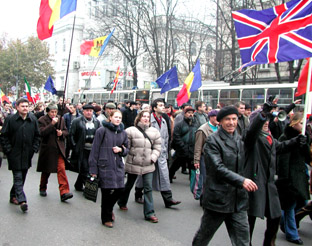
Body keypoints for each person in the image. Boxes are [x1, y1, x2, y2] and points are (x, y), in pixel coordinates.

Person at [192, 106, 258, 246]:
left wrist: (263, 116)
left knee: (243, 241)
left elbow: (253, 134)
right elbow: (217, 168)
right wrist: (241, 181)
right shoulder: (212, 141)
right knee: (203, 237)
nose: (231, 122)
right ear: (220, 121)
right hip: (218, 200)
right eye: (227, 119)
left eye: (234, 119)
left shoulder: (239, 139)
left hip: (238, 201)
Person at [244, 105, 304, 246]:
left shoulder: (269, 136)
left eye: (268, 120)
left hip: (269, 184)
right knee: (250, 219)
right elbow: (252, 130)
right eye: (263, 120)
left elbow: (279, 147)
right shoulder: (251, 137)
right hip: (254, 183)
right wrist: (263, 114)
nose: (266, 122)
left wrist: (295, 141)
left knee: (275, 216)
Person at [135, 99, 181, 208]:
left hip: (161, 153)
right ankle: (138, 193)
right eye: (160, 105)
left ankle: (168, 199)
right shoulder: (147, 120)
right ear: (154, 108)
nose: (163, 107)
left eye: (163, 105)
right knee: (143, 176)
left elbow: (165, 138)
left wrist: (165, 153)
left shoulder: (164, 120)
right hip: (148, 153)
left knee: (164, 175)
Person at [118, 110, 162, 222]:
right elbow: (125, 146)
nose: (146, 118)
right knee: (129, 185)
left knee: (148, 188)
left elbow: (158, 147)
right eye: (144, 116)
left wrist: (153, 157)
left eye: (148, 117)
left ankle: (149, 213)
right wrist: (128, 155)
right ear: (139, 118)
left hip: (148, 164)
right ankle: (122, 201)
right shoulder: (130, 131)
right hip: (134, 163)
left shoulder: (155, 132)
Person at [89, 110, 129, 228]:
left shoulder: (123, 132)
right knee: (106, 193)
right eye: (116, 117)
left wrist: (121, 150)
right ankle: (105, 218)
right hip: (104, 165)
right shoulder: (102, 131)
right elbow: (95, 150)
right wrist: (93, 170)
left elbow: (127, 148)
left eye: (120, 117)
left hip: (118, 166)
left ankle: (109, 208)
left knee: (120, 189)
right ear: (110, 117)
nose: (118, 119)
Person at [0, 98, 40, 212]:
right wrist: (8, 150)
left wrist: (34, 149)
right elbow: (4, 136)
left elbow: (37, 135)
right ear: (17, 107)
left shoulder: (32, 119)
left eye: (27, 106)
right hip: (14, 153)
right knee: (17, 176)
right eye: (22, 106)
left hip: (27, 153)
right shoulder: (10, 119)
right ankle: (22, 200)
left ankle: (13, 195)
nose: (25, 108)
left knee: (22, 177)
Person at [277, 112, 310, 245]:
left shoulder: (303, 136)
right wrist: (284, 179)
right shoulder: (285, 137)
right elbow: (283, 160)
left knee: (303, 202)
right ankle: (292, 233)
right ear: (294, 123)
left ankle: (283, 220)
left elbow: (307, 157)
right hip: (290, 176)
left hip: (301, 174)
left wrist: (304, 144)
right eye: (302, 123)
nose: (304, 125)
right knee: (290, 205)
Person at [36, 103, 73, 202]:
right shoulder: (42, 120)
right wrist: (51, 124)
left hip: (59, 149)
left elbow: (66, 131)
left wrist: (62, 133)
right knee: (46, 170)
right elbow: (42, 133)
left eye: (55, 112)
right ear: (48, 111)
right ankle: (43, 187)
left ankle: (64, 191)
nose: (54, 114)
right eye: (52, 112)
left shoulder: (61, 119)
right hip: (48, 149)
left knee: (61, 169)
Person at [70, 104, 101, 191]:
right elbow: (71, 135)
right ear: (83, 112)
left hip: (92, 150)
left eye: (90, 111)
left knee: (88, 168)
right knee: (85, 168)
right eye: (87, 111)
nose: (89, 113)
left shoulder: (96, 122)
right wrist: (75, 146)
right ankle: (88, 187)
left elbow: (99, 135)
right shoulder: (77, 121)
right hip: (82, 149)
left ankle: (78, 185)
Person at [193, 109, 218, 201]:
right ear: (210, 117)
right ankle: (203, 198)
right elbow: (198, 147)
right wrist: (196, 161)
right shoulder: (202, 130)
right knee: (205, 179)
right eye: (215, 116)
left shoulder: (220, 128)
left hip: (217, 157)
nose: (217, 118)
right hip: (205, 157)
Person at [170, 107, 197, 181]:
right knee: (175, 165)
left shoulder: (196, 124)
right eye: (189, 113)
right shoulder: (180, 124)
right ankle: (169, 177)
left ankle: (193, 181)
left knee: (192, 167)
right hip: (182, 149)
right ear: (185, 114)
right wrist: (182, 146)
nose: (190, 115)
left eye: (192, 113)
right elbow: (176, 136)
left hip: (191, 149)